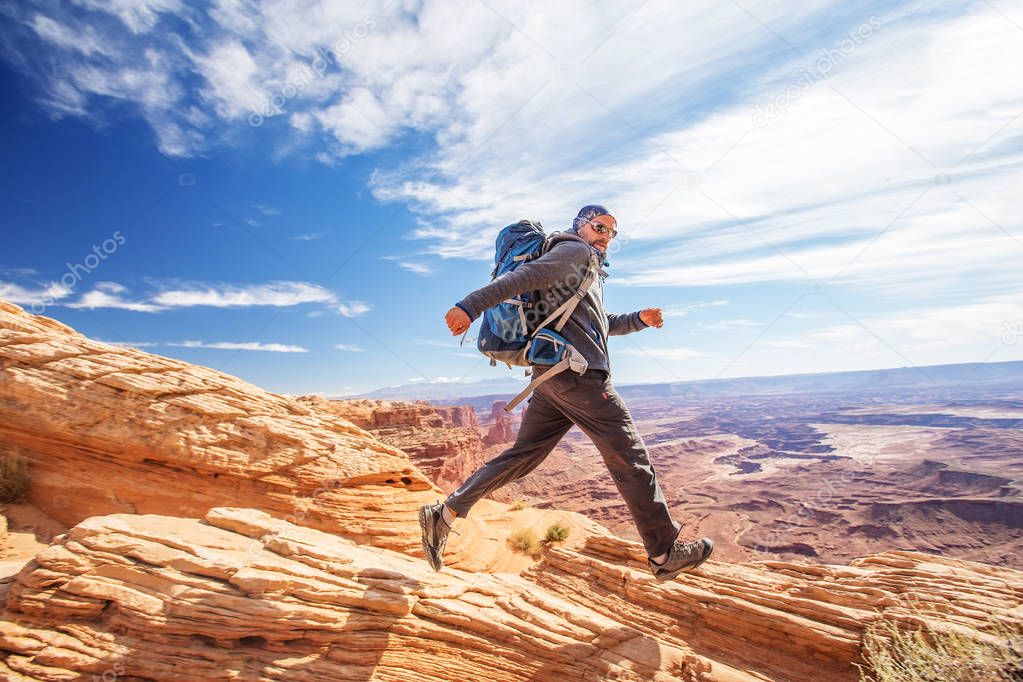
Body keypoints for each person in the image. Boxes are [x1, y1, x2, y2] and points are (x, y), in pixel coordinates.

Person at [419, 205, 713, 581]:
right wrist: (470, 305)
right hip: (580, 378)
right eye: (599, 226)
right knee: (630, 456)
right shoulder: (575, 251)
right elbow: (528, 276)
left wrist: (638, 320)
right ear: (581, 226)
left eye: (612, 231)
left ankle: (443, 514)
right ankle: (665, 551)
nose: (606, 235)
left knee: (522, 456)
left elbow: (599, 325)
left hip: (552, 378)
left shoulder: (584, 269)